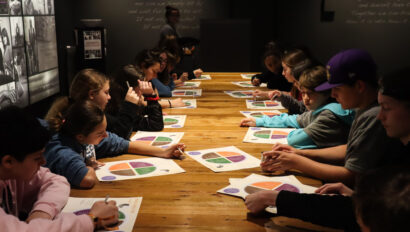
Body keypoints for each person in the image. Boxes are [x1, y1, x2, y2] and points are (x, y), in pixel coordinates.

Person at [245, 67, 410, 231]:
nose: (380, 116)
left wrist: (278, 198)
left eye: (386, 108)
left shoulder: (370, 118)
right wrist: (357, 198)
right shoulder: (368, 116)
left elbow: (364, 211)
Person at [260, 49, 396, 185]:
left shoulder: (374, 116)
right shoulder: (363, 108)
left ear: (359, 86)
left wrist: (296, 162)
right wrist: (300, 153)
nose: (332, 94)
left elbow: (353, 175)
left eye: (337, 88)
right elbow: (350, 148)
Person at [0, 106, 119, 231]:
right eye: (37, 158)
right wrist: (92, 219)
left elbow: (57, 181)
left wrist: (41, 214)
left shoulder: (10, 175)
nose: (44, 162)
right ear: (8, 161)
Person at [44, 100, 185, 189]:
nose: (106, 135)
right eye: (100, 133)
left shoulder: (84, 136)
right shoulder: (62, 151)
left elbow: (125, 144)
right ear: (81, 137)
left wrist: (163, 152)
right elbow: (86, 179)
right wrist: (87, 164)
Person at [241, 66, 354, 149]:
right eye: (303, 93)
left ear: (326, 93)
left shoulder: (329, 116)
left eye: (310, 93)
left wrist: (303, 130)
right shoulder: (318, 110)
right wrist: (260, 121)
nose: (305, 98)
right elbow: (294, 119)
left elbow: (294, 140)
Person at [106, 64, 164, 138]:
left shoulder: (126, 103)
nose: (142, 93)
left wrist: (151, 97)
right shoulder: (116, 109)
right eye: (139, 88)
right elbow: (155, 125)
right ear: (128, 88)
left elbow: (155, 123)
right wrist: (150, 97)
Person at [254, 48, 315, 114]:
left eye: (285, 69)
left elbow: (304, 114)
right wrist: (272, 94)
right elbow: (299, 106)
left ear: (295, 69)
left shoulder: (309, 90)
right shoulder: (297, 86)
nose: (283, 73)